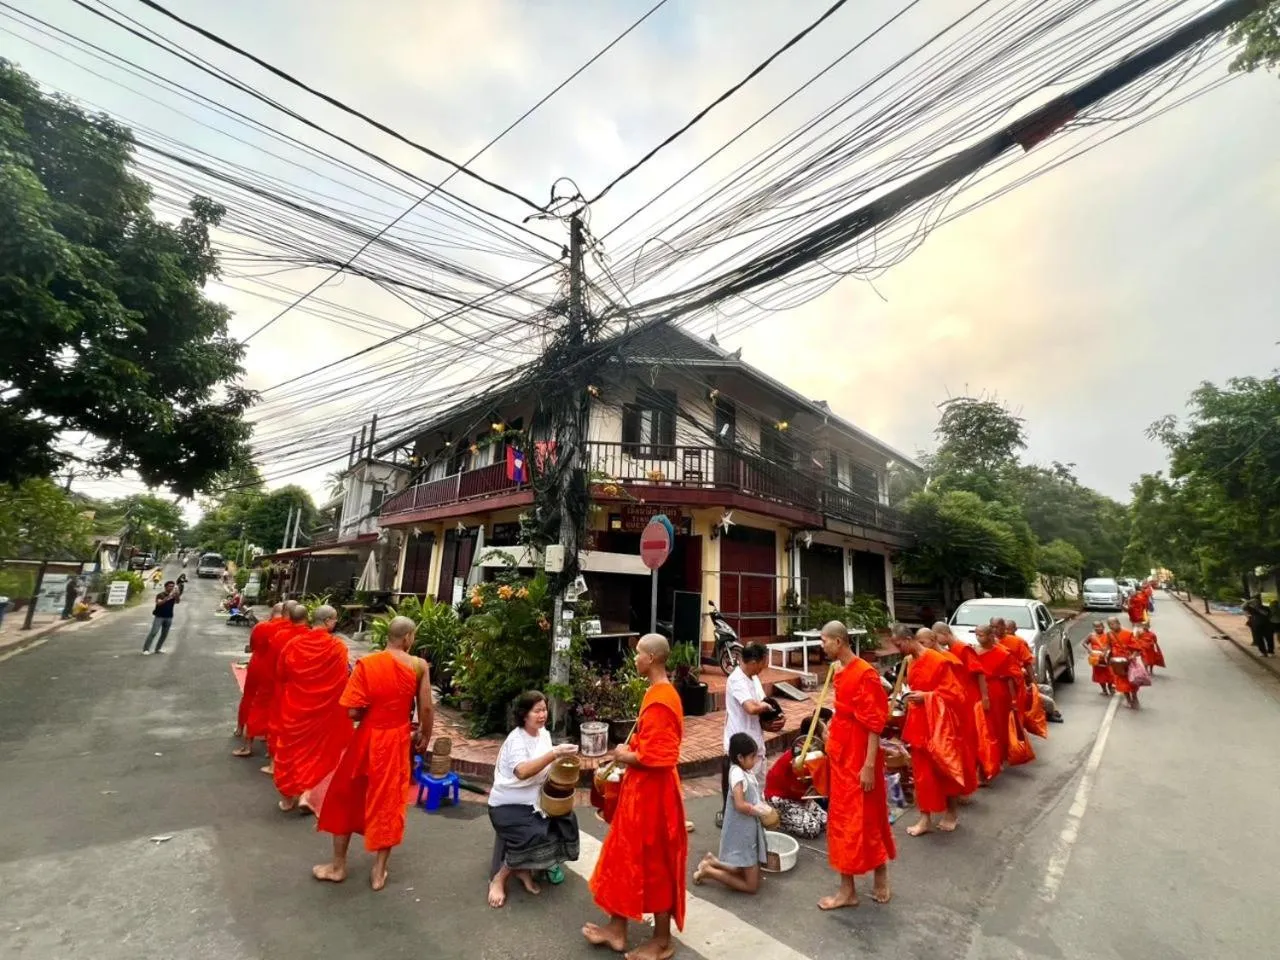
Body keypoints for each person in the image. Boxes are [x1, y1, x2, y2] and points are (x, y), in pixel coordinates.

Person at [583, 634, 686, 958]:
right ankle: (617, 928)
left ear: (653, 658)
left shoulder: (662, 699)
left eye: (639, 653)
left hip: (655, 799)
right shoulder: (656, 693)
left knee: (655, 864)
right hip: (640, 794)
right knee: (624, 857)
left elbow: (662, 756)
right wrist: (631, 751)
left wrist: (625, 754)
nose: (635, 659)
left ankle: (662, 940)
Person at [314, 616, 433, 892]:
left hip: (367, 737)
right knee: (389, 801)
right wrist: (424, 735)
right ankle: (379, 871)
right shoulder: (417, 666)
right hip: (396, 739)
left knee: (345, 794)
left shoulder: (367, 664)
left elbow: (353, 710)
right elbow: (426, 708)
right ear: (408, 638)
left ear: (387, 637)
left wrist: (373, 713)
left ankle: (338, 866)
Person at [817, 620, 893, 911]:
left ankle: (881, 873)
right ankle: (847, 889)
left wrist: (869, 765)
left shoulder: (865, 673)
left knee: (869, 816)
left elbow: (875, 723)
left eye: (824, 641)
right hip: (842, 755)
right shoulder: (840, 671)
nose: (822, 646)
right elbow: (843, 712)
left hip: (862, 756)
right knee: (842, 822)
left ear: (839, 641)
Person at [486, 690, 581, 908]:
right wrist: (555, 754)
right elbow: (522, 772)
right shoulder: (516, 739)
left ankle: (528, 867)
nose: (542, 715)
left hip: (536, 801)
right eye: (536, 710)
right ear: (524, 714)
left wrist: (563, 766)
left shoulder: (544, 734)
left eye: (544, 709)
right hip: (507, 805)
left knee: (567, 819)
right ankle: (499, 878)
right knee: (535, 833)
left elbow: (547, 769)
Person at [273, 604, 354, 812]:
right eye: (335, 620)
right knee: (317, 753)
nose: (335, 623)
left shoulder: (294, 644)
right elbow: (343, 680)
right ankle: (307, 793)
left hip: (295, 709)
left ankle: (288, 799)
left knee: (289, 752)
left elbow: (282, 674)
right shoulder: (338, 648)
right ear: (327, 621)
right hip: (323, 711)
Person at [892, 627, 968, 836]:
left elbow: (955, 694)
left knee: (943, 769)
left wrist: (927, 696)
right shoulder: (912, 662)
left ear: (909, 639)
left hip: (939, 725)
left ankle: (951, 812)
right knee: (921, 774)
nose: (898, 650)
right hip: (918, 724)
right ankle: (924, 818)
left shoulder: (938, 660)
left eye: (899, 645)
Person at [694, 732, 769, 894]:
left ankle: (712, 861)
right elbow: (740, 804)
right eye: (752, 757)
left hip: (748, 831)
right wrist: (758, 810)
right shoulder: (737, 774)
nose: (755, 760)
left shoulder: (745, 771)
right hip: (743, 833)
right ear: (740, 757)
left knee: (744, 871)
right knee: (751, 886)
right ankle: (709, 871)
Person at [719, 642, 781, 827]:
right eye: (763, 662)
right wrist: (766, 707)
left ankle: (755, 822)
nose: (764, 667)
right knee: (741, 788)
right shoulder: (737, 679)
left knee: (757, 786)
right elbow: (751, 707)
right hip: (740, 742)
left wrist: (775, 718)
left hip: (755, 740)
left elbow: (762, 705)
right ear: (754, 661)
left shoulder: (753, 678)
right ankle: (734, 822)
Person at [929, 622, 985, 797]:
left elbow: (979, 672)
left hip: (968, 700)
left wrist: (985, 697)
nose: (934, 642)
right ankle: (963, 783)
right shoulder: (947, 653)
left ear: (944, 634)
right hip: (956, 700)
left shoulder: (962, 649)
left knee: (969, 741)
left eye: (935, 637)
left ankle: (973, 779)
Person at [234, 603, 287, 758]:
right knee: (272, 702)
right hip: (276, 669)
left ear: (272, 612)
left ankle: (240, 727)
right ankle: (267, 734)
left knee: (249, 697)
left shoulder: (262, 627)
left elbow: (252, 646)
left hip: (258, 665)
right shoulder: (288, 630)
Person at [262, 602, 309, 776]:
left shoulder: (279, 635)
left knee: (278, 723)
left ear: (286, 613)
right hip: (303, 690)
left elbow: (274, 663)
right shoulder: (310, 638)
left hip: (282, 685)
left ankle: (274, 762)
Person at [764, 719, 829, 839]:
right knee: (812, 828)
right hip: (780, 797)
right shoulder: (801, 757)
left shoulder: (816, 754)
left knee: (827, 821)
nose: (829, 735)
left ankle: (796, 815)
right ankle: (779, 819)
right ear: (815, 736)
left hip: (798, 797)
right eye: (826, 732)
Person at [973, 624, 1018, 773]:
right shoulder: (973, 651)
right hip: (977, 692)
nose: (978, 638)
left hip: (997, 692)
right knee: (981, 728)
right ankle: (984, 761)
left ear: (991, 636)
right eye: (977, 634)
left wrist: (1013, 700)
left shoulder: (1003, 653)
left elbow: (1010, 677)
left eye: (982, 635)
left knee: (997, 727)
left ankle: (996, 759)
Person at [1104, 616, 1141, 710]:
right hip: (1117, 662)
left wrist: (1133, 656)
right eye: (1109, 625)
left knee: (1132, 681)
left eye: (1113, 624)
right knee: (1121, 682)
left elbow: (1137, 648)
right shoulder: (1109, 634)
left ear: (1118, 623)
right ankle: (1128, 700)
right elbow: (1108, 646)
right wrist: (1106, 655)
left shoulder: (1128, 633)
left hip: (1128, 661)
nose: (1111, 626)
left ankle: (1134, 696)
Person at [142, 580, 180, 655]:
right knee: (154, 632)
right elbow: (159, 603)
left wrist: (177, 594)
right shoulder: (160, 595)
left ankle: (158, 649)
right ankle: (146, 649)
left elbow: (177, 602)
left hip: (169, 617)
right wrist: (168, 597)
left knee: (164, 634)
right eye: (170, 586)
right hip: (159, 616)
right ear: (165, 587)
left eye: (172, 586)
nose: (171, 588)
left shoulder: (173, 595)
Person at [1086, 621, 1114, 695]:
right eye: (1096, 627)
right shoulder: (1091, 635)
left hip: (1106, 657)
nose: (1098, 628)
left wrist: (1108, 651)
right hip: (1096, 658)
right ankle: (1104, 689)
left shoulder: (1108, 635)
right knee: (1099, 675)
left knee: (1110, 674)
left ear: (1103, 627)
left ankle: (1110, 687)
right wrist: (1089, 650)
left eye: (1099, 626)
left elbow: (1112, 644)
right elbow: (1084, 643)